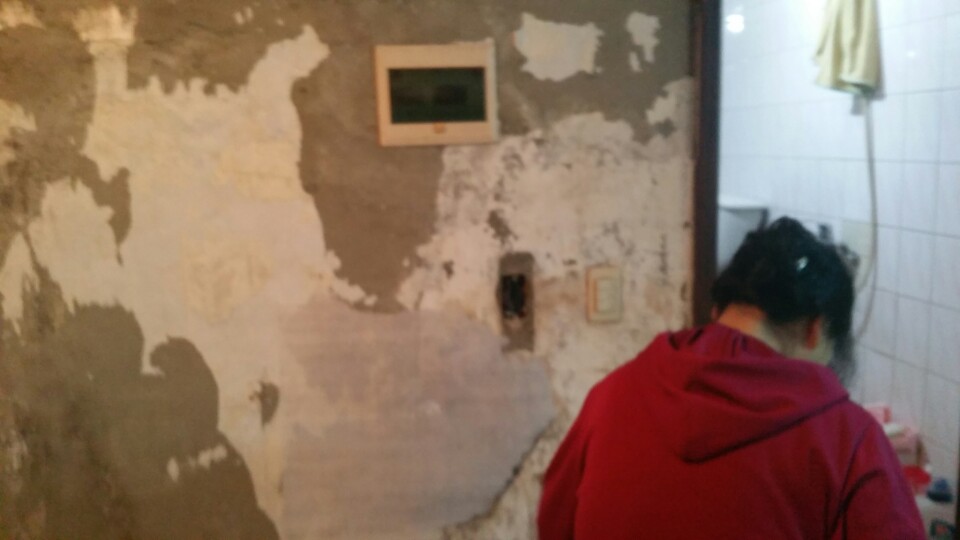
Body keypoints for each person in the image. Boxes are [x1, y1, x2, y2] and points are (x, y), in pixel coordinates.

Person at [537, 217, 924, 539]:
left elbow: (555, 524)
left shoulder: (611, 397)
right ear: (815, 329)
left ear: (717, 311)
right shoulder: (847, 441)